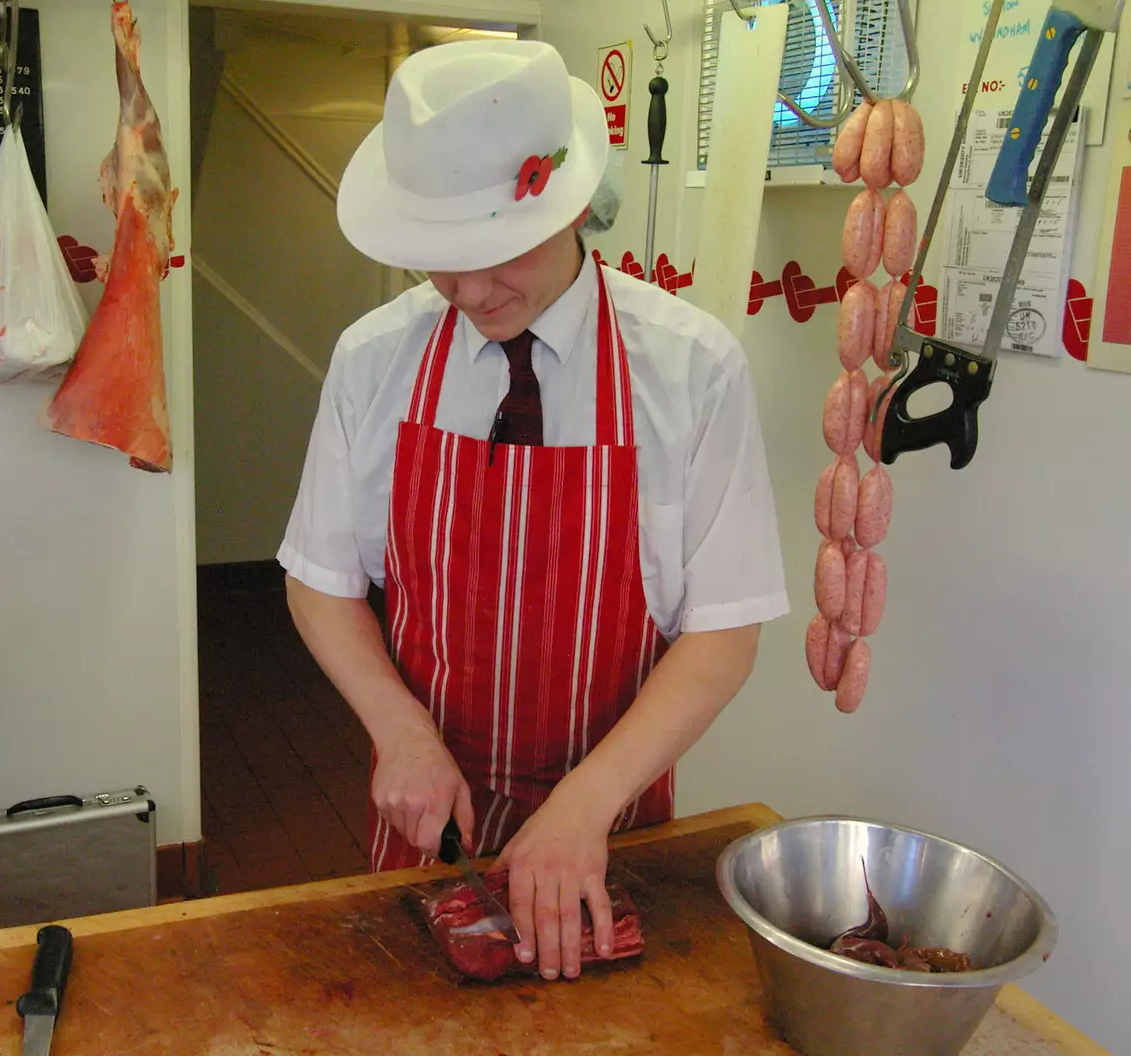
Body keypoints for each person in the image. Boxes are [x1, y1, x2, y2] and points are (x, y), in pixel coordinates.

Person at [276, 38, 789, 981]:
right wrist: (397, 730)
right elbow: (320, 581)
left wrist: (586, 806)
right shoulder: (372, 359)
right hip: (431, 821)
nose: (468, 294)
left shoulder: (691, 365)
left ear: (570, 205)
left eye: (494, 253)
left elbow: (725, 631)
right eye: (438, 261)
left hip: (617, 822)